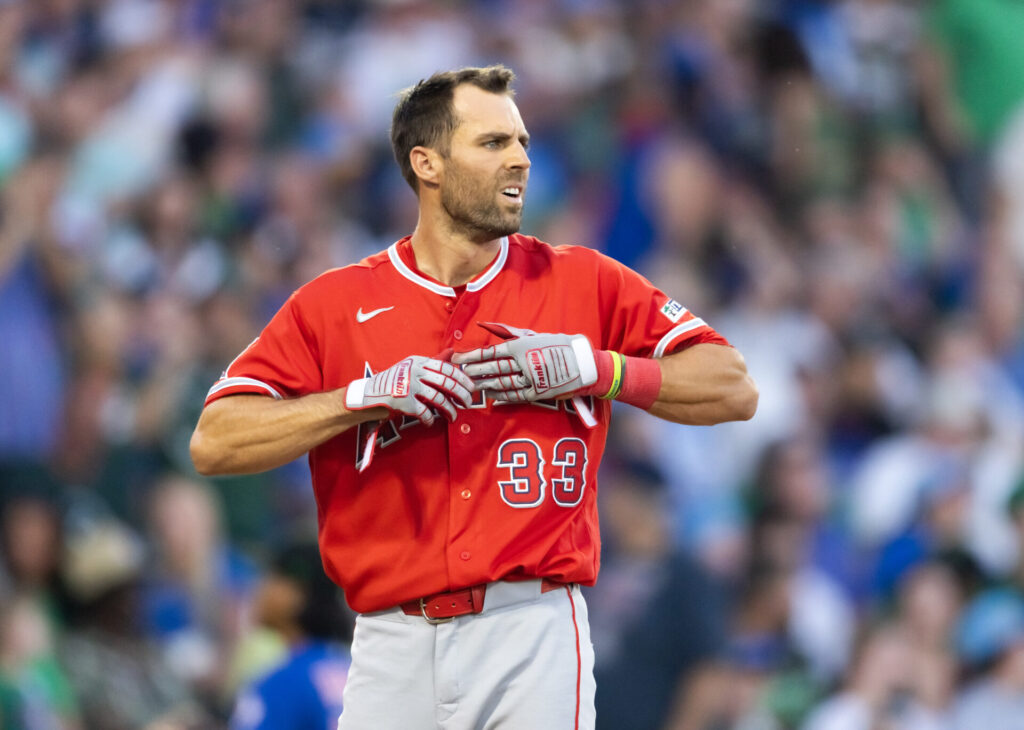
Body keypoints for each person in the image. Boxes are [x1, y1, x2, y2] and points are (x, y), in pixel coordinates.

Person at [190, 64, 758, 729]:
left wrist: (600, 370)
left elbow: (732, 384)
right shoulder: (338, 305)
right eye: (492, 143)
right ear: (426, 163)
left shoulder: (582, 282)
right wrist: (354, 399)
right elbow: (214, 439)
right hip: (389, 639)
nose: (520, 159)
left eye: (520, 141)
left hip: (532, 628)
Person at [229, 542, 352, 730]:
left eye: (272, 577)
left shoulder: (281, 685)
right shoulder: (350, 667)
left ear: (296, 595)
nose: (260, 588)